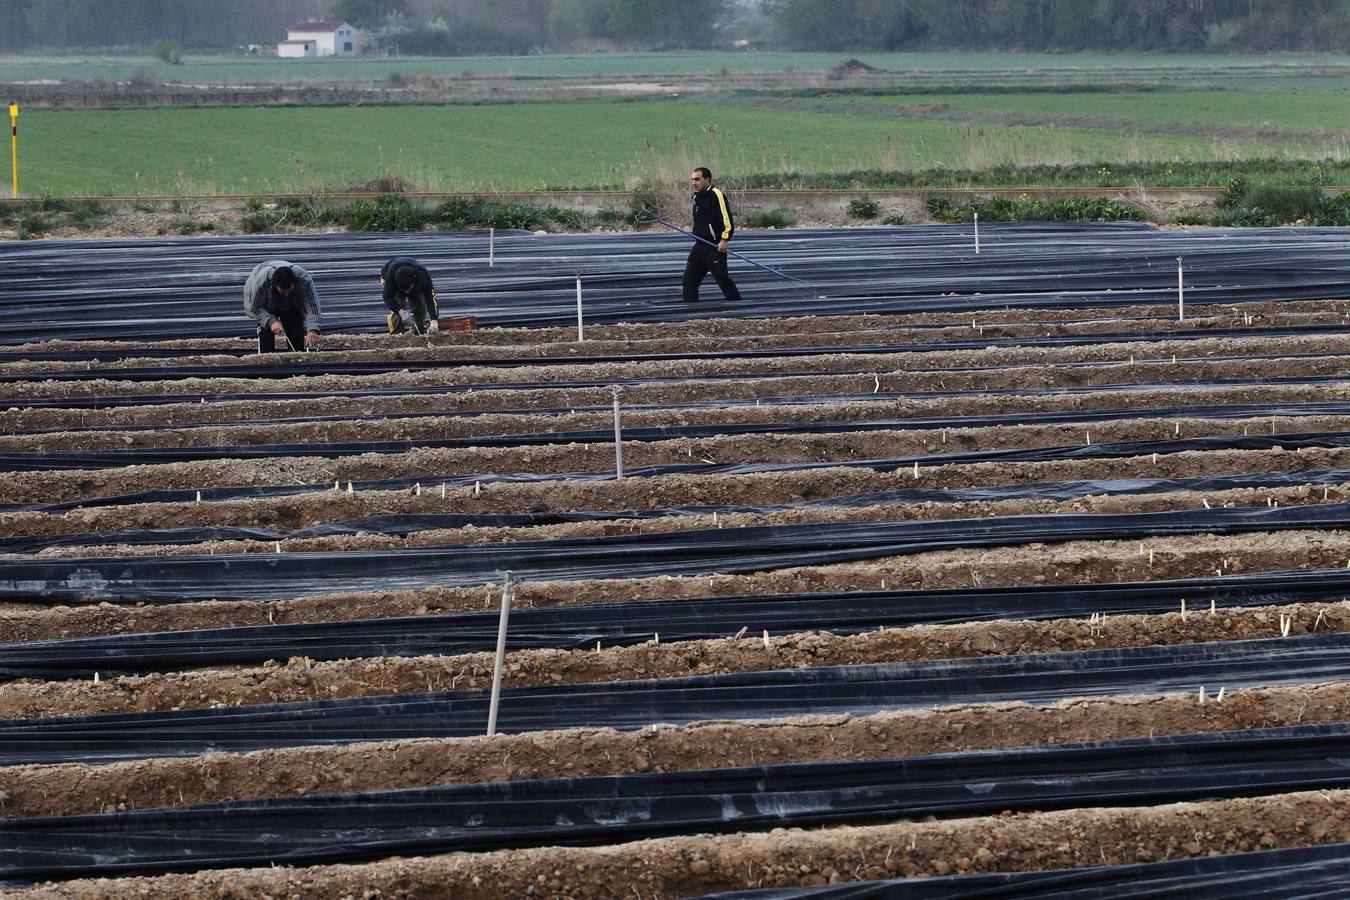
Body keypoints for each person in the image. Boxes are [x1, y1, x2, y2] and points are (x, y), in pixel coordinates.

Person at [682, 166, 742, 304]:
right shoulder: (697, 197)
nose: (694, 183)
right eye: (692, 180)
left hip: (714, 247)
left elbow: (727, 220)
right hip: (700, 245)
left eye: (697, 179)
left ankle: (739, 309)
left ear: (707, 179)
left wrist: (724, 240)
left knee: (723, 280)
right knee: (689, 280)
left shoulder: (716, 195)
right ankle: (690, 313)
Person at [243, 260, 320, 353]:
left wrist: (312, 329)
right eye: (283, 292)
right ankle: (267, 358)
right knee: (266, 333)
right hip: (267, 304)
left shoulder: (304, 279)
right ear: (275, 285)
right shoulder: (262, 282)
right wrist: (271, 322)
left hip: (293, 303)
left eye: (289, 291)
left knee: (295, 330)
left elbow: (312, 305)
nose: (286, 294)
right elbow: (254, 307)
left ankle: (296, 356)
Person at [381, 257, 440, 335]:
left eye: (408, 289)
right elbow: (387, 297)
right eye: (404, 290)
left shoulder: (423, 276)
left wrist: (434, 319)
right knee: (399, 305)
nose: (406, 292)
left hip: (415, 285)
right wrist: (400, 311)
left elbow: (431, 297)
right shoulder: (390, 278)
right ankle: (396, 335)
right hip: (390, 277)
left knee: (421, 307)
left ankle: (418, 333)